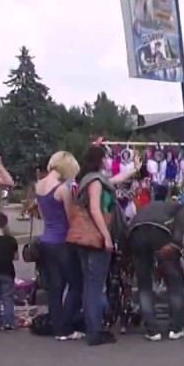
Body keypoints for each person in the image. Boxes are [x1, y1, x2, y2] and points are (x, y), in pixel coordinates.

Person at [66, 145, 123, 346]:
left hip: (82, 239)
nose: (108, 161)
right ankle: (95, 331)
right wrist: (106, 236)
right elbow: (95, 210)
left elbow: (113, 181)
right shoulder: (96, 182)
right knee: (95, 286)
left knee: (90, 284)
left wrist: (134, 169)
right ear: (100, 160)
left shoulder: (88, 179)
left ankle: (93, 327)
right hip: (94, 239)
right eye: (106, 158)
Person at [126, 198, 184, 341]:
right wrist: (175, 243)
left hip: (136, 233)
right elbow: (183, 223)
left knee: (144, 284)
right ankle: (177, 327)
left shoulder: (147, 207)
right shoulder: (180, 207)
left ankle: (152, 331)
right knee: (174, 279)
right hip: (159, 232)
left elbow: (131, 225)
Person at [36, 151, 84, 340]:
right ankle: (67, 324)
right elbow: (69, 217)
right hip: (62, 241)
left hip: (46, 240)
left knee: (55, 287)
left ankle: (59, 329)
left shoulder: (39, 185)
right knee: (75, 284)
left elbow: (43, 214)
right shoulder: (63, 189)